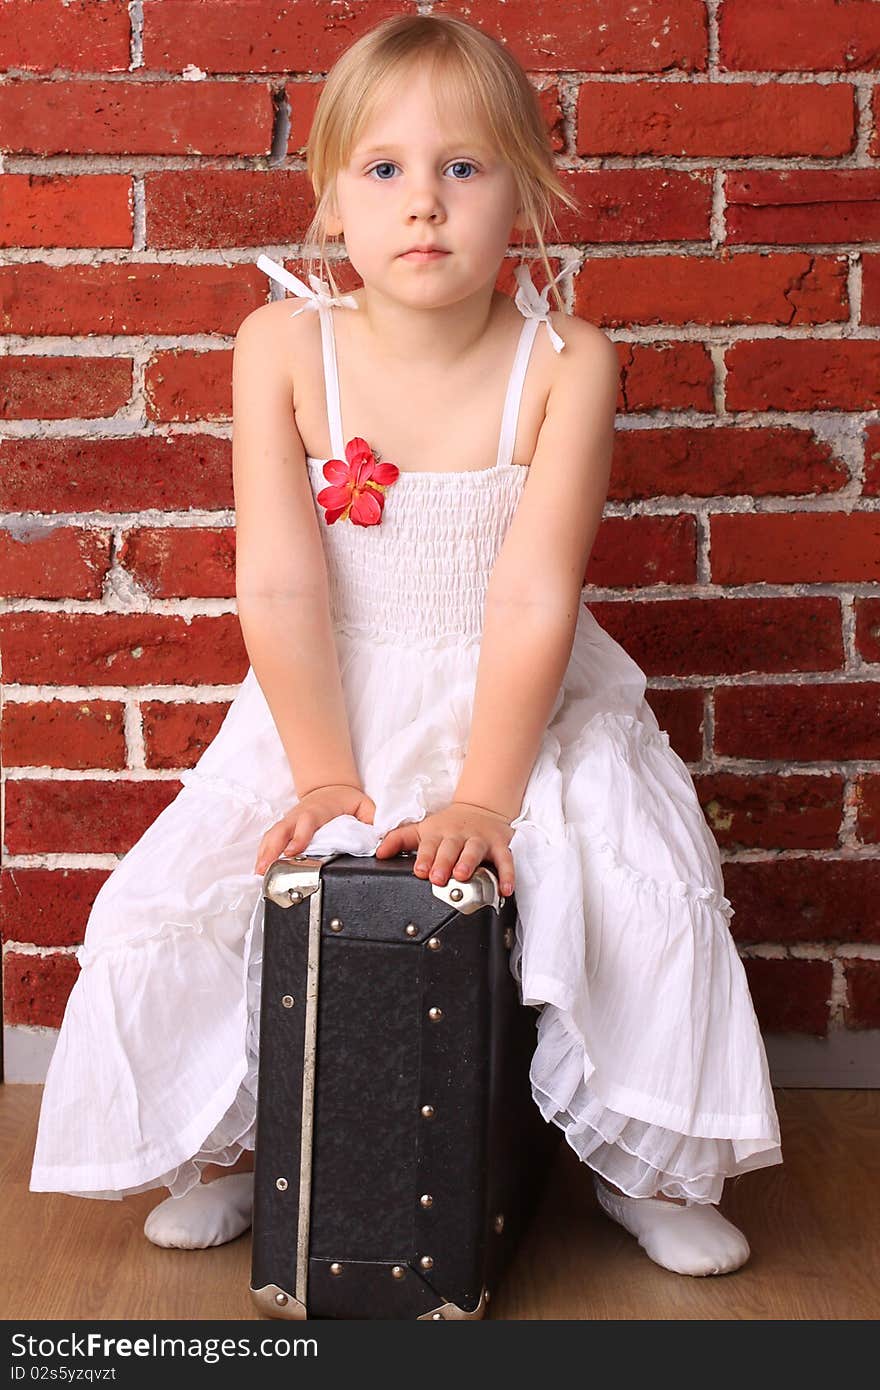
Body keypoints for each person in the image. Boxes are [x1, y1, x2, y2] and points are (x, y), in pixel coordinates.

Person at [29, 14, 781, 1280]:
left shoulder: (565, 364)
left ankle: (633, 1160)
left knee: (626, 890)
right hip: (332, 685)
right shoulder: (279, 348)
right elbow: (277, 580)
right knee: (205, 888)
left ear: (526, 195)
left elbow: (536, 596)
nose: (422, 205)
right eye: (382, 170)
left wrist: (487, 791)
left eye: (464, 169)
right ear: (328, 201)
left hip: (524, 693)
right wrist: (324, 774)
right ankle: (239, 1148)